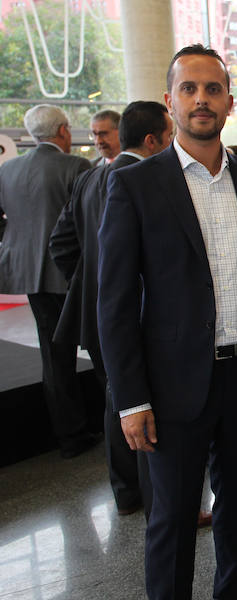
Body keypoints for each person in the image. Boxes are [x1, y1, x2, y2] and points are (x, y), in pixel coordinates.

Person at [97, 45, 237, 600]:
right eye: (189, 89)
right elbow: (114, 302)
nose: (201, 100)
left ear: (230, 102)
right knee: (171, 522)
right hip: (171, 387)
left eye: (213, 89)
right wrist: (131, 400)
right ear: (170, 103)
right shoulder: (137, 185)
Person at [50, 101, 174, 516]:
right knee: (143, 404)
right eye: (170, 136)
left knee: (116, 399)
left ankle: (126, 494)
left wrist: (90, 287)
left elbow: (62, 244)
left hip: (97, 316)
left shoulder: (91, 178)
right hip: (137, 314)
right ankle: (159, 500)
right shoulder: (142, 179)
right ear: (154, 139)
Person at [0, 104, 96, 459]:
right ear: (63, 131)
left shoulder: (8, 170)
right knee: (100, 349)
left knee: (53, 357)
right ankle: (112, 425)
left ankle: (69, 436)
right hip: (71, 273)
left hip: (28, 272)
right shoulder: (76, 167)